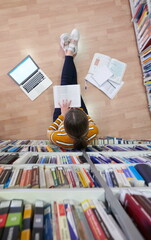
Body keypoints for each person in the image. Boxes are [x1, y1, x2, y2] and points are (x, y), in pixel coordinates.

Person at [47, 29, 98, 150]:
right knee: (71, 86)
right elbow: (88, 119)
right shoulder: (93, 130)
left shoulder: (57, 138)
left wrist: (62, 116)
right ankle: (69, 51)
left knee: (67, 86)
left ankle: (69, 51)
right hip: (77, 115)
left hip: (62, 119)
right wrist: (77, 110)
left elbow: (50, 130)